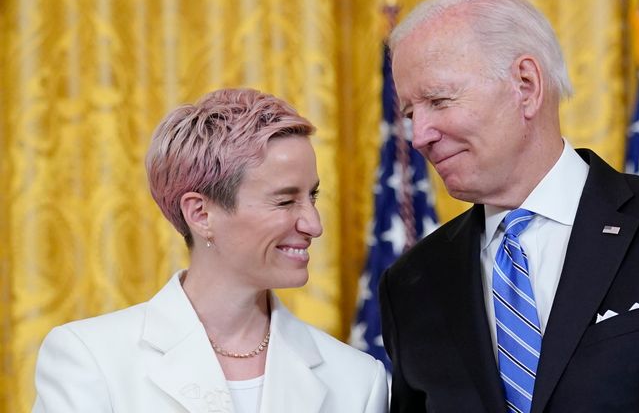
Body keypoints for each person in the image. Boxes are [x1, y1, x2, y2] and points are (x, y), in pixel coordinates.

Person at [378, 0, 639, 413]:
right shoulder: (411, 283)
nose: (419, 136)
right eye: (411, 113)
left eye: (439, 101)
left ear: (525, 85)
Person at [33, 88, 388, 412]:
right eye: (284, 201)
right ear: (201, 214)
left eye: (312, 196)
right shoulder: (90, 359)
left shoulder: (358, 379)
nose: (313, 224)